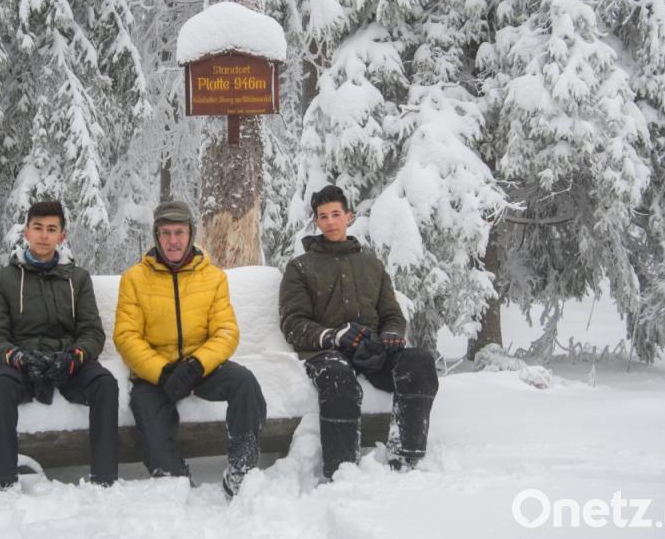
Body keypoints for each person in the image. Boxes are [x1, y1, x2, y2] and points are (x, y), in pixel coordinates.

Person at [279, 184, 439, 480]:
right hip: (327, 352)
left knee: (419, 362)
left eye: (335, 214)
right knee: (338, 379)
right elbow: (293, 323)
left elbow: (392, 314)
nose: (330, 222)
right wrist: (333, 336)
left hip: (372, 349)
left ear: (349, 216)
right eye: (323, 216)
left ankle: (406, 456)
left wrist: (391, 333)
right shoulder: (300, 268)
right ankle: (342, 472)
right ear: (316, 221)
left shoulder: (371, 265)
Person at [113, 200, 266, 497]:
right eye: (166, 233)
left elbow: (226, 332)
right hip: (155, 373)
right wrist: (162, 372)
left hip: (201, 366)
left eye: (179, 232)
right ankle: (175, 479)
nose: (173, 241)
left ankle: (242, 469)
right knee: (150, 427)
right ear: (156, 235)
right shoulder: (134, 279)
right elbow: (126, 336)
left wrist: (196, 365)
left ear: (191, 233)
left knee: (245, 383)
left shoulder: (213, 277)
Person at [0, 200, 119, 489]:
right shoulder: (4, 279)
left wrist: (75, 356)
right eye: (38, 228)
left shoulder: (78, 278)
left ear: (62, 236)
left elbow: (92, 332)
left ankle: (105, 480)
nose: (44, 235)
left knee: (105, 384)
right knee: (0, 388)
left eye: (51, 229)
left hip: (68, 361)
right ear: (26, 232)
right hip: (23, 362)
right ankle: (3, 482)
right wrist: (15, 356)